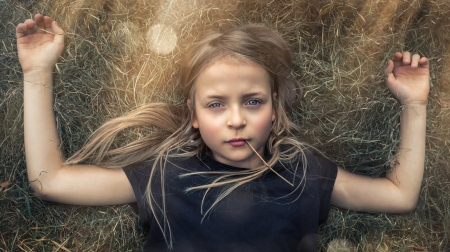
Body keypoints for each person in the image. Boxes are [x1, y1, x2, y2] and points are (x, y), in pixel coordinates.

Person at [16, 14, 430, 252]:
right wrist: (37, 72)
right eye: (216, 104)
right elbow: (49, 181)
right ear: (193, 114)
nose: (236, 119)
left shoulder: (304, 172)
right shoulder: (165, 174)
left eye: (253, 101)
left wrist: (414, 105)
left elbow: (399, 196)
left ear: (275, 106)